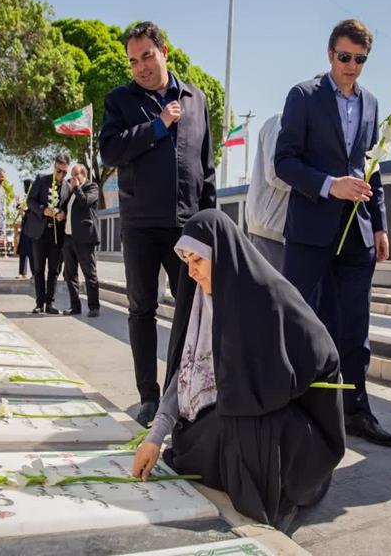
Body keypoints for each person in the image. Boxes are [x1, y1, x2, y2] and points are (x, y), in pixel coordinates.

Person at [131, 210, 346, 531]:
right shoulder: (200, 302)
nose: (191, 272)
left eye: (198, 260)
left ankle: (280, 493)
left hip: (283, 419)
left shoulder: (268, 295)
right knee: (196, 439)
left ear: (222, 256)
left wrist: (269, 385)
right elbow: (184, 374)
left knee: (245, 431)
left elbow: (324, 357)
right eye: (186, 261)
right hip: (235, 411)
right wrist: (154, 437)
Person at [274, 19, 391, 447]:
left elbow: (372, 166)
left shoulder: (372, 104)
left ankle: (357, 410)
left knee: (355, 327)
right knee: (299, 320)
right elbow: (284, 162)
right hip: (310, 232)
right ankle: (292, 407)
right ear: (330, 54)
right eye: (345, 57)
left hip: (358, 235)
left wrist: (380, 225)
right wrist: (330, 185)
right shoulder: (303, 96)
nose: (352, 66)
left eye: (360, 59)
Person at [100, 21, 216, 427]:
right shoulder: (120, 100)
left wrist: (209, 225)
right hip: (141, 225)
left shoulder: (196, 99)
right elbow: (110, 151)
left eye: (147, 56)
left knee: (191, 312)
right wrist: (157, 126)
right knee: (142, 310)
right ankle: (149, 398)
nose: (141, 67)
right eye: (133, 61)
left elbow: (206, 168)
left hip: (187, 227)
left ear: (164, 52)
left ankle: (181, 393)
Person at [245, 113, 289, 271]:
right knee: (269, 286)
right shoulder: (280, 121)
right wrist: (321, 184)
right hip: (269, 231)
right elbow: (276, 173)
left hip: (284, 233)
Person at [25, 155, 69, 314]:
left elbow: (67, 208)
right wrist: (43, 210)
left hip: (57, 234)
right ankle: (39, 303)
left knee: (54, 270)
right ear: (54, 167)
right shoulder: (42, 180)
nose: (61, 175)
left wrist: (63, 214)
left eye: (65, 172)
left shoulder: (67, 187)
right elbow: (30, 201)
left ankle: (50, 303)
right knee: (38, 269)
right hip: (40, 232)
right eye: (59, 171)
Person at [60, 163, 100, 317]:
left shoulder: (92, 187)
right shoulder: (72, 192)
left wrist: (76, 187)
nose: (73, 178)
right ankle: (75, 306)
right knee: (70, 274)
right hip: (69, 237)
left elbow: (84, 202)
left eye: (76, 174)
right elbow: (67, 208)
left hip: (84, 238)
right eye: (72, 175)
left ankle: (94, 306)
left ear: (84, 174)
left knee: (89, 273)